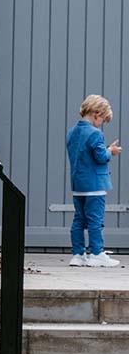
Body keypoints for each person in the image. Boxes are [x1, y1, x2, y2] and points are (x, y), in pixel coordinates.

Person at [67, 94, 122, 267]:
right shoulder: (95, 134)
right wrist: (110, 151)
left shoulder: (72, 132)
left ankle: (78, 254)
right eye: (103, 120)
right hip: (95, 186)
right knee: (95, 221)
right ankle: (97, 253)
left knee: (79, 220)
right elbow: (100, 158)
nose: (102, 124)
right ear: (97, 114)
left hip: (78, 184)